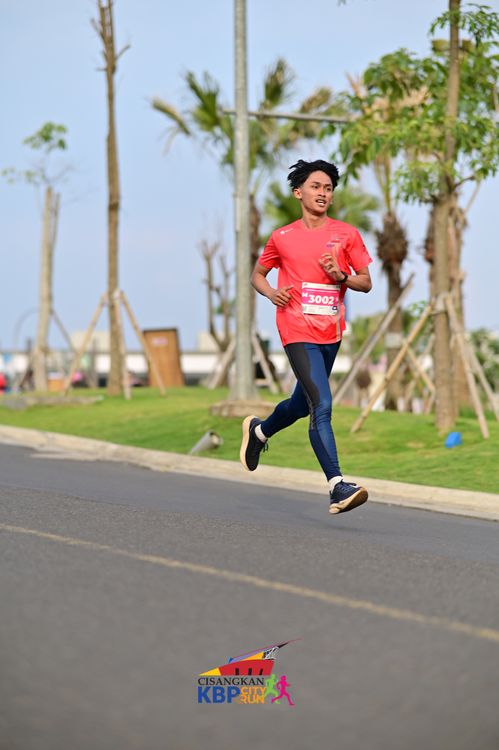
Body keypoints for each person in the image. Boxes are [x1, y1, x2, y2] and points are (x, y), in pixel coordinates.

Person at [240, 159, 373, 515]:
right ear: (299, 192)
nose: (323, 193)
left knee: (301, 405)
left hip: (330, 331)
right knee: (322, 405)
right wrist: (271, 293)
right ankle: (337, 486)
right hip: (295, 328)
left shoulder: (346, 235)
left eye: (328, 188)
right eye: (316, 187)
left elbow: (366, 282)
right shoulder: (282, 237)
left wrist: (341, 276)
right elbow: (257, 275)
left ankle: (259, 432)